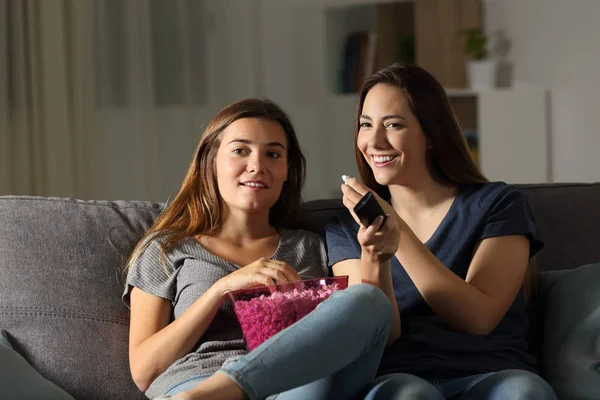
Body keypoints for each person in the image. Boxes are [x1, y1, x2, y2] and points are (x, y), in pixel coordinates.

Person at [123, 98, 392, 400]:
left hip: (293, 389)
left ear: (287, 170)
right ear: (211, 161)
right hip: (192, 386)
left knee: (370, 301)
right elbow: (144, 372)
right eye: (240, 150)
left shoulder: (311, 246)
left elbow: (373, 323)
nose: (257, 166)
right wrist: (220, 290)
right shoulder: (167, 248)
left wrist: (375, 255)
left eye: (273, 154)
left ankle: (230, 390)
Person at [325, 63, 558, 399]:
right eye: (365, 125)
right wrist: (376, 257)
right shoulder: (345, 228)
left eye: (393, 125)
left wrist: (397, 229)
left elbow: (478, 318)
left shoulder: (498, 204)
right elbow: (380, 336)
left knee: (526, 393)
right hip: (400, 377)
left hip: (492, 373)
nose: (374, 141)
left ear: (432, 134)